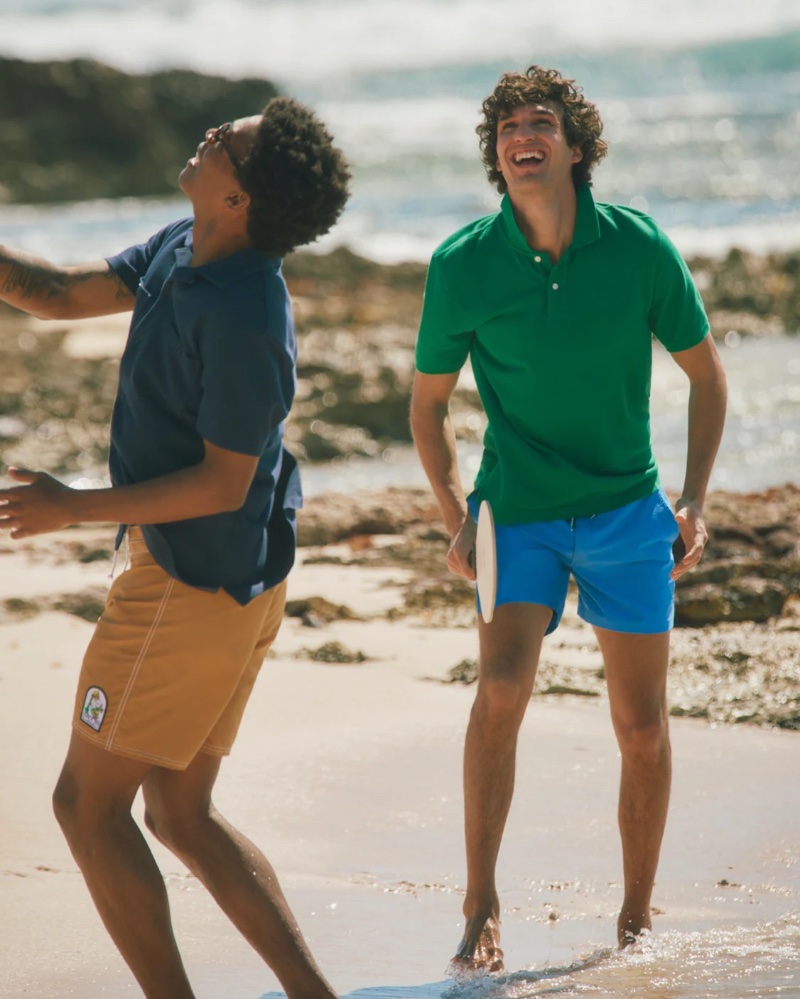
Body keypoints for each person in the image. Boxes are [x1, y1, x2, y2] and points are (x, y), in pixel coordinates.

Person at [0, 97, 350, 999]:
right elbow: (61, 294)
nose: (210, 133)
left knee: (86, 805)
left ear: (243, 197)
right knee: (182, 812)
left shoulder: (245, 312)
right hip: (230, 574)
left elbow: (219, 482)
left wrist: (70, 506)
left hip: (191, 585)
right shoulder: (183, 244)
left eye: (226, 143)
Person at [410, 65, 727, 970]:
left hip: (630, 511)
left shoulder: (639, 248)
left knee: (642, 726)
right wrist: (455, 513)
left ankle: (635, 918)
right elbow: (426, 406)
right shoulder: (461, 265)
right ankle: (478, 900)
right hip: (518, 517)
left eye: (540, 121)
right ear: (497, 156)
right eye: (508, 126)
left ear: (574, 146)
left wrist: (694, 497)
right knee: (501, 688)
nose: (522, 134)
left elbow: (706, 374)